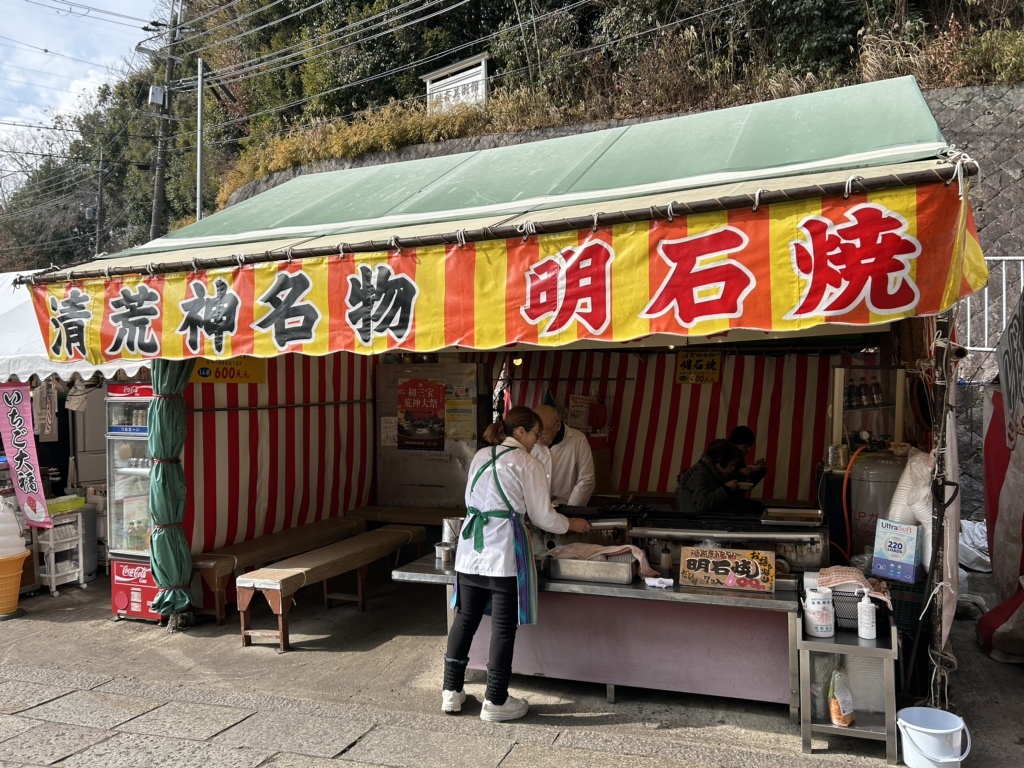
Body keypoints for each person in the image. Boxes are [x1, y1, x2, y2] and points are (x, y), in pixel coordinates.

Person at [442, 406, 591, 721]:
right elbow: (543, 516)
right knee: (503, 627)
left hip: (469, 551)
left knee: (465, 619)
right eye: (536, 433)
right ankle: (496, 701)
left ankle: (451, 692)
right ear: (520, 432)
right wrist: (571, 523)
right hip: (503, 553)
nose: (538, 440)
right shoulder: (528, 463)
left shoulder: (482, 455)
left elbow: (471, 500)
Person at [532, 404, 596, 506]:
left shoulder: (578, 440)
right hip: (534, 506)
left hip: (565, 506)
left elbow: (586, 479)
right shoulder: (528, 439)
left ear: (557, 426)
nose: (537, 439)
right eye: (535, 434)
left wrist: (571, 509)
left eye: (543, 434)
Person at [676, 439, 744, 516]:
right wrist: (726, 489)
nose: (733, 468)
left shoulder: (706, 470)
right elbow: (702, 504)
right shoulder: (699, 473)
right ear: (721, 459)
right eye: (731, 464)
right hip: (695, 521)